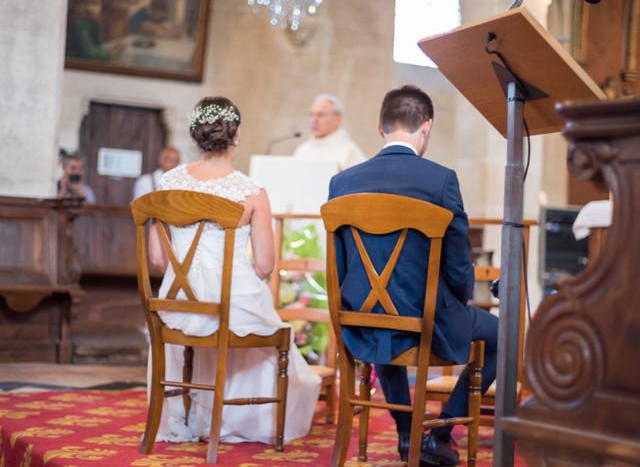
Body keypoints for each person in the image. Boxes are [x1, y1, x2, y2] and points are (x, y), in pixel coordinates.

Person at [327, 85, 498, 466]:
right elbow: (457, 260)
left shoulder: (342, 183)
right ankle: (438, 433)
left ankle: (407, 434)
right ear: (426, 127)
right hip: (425, 317)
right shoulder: (440, 180)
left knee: (384, 324)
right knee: (501, 335)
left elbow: (339, 266)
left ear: (380, 128)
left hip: (362, 318)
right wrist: (461, 297)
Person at [148, 96, 321, 445]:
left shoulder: (167, 184)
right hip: (234, 304)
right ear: (236, 134)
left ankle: (190, 414)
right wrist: (235, 278)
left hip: (176, 307)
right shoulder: (251, 192)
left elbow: (156, 258)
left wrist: (190, 280)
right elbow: (264, 265)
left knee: (211, 323)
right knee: (272, 337)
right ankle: (235, 418)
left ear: (196, 135)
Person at [293, 94, 366, 171]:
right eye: (312, 114)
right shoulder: (303, 150)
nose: (314, 120)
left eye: (320, 115)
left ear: (338, 118)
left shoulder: (349, 151)